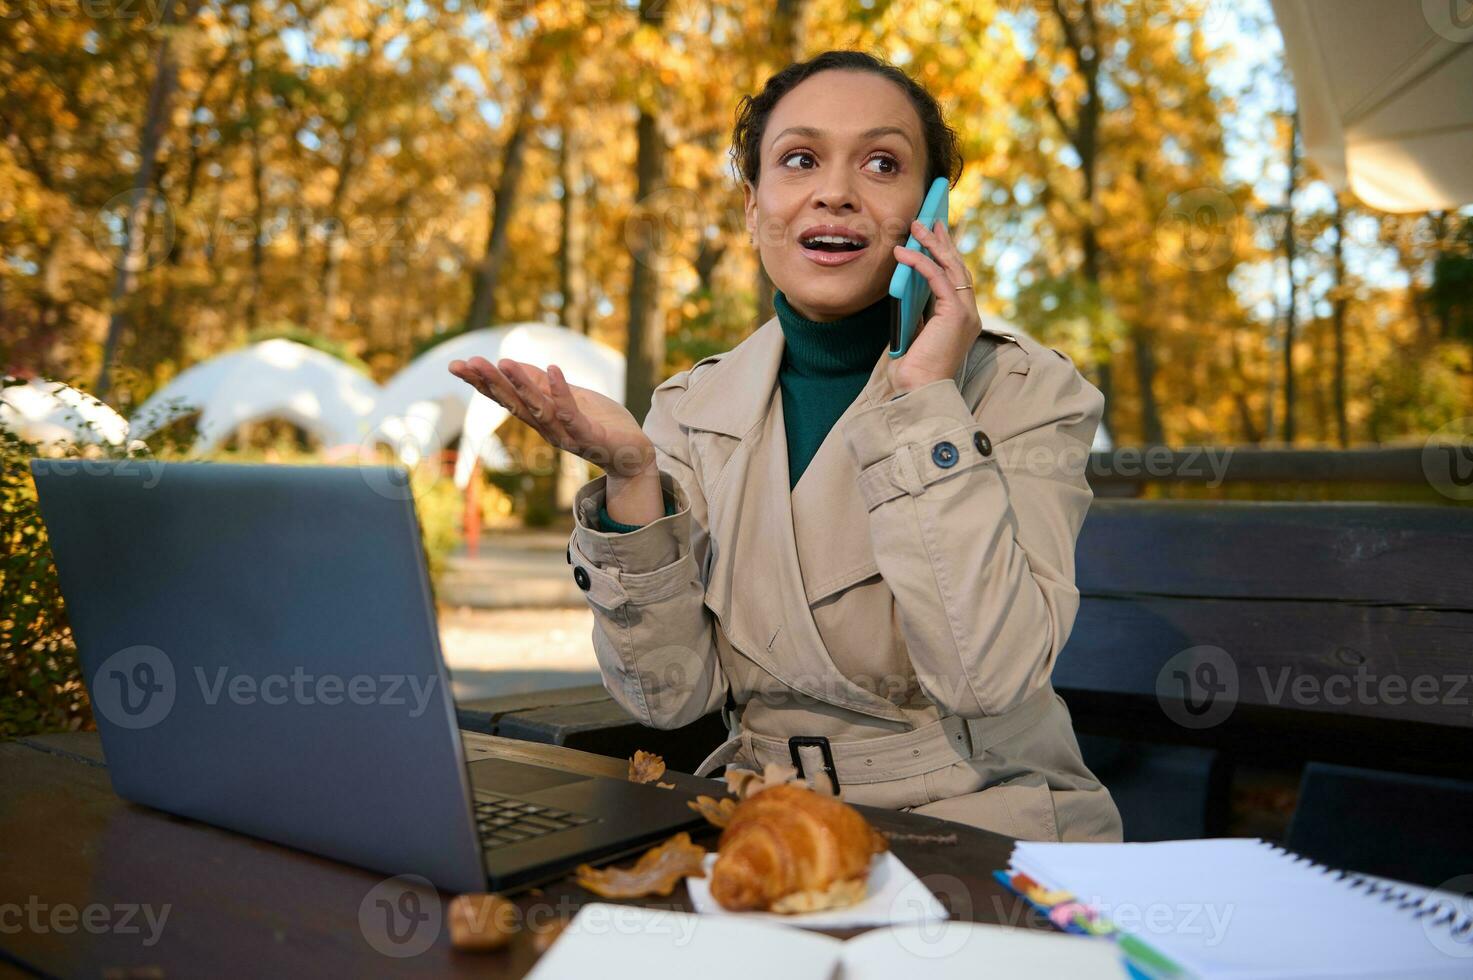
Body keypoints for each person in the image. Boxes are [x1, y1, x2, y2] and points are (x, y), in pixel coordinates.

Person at [449, 49, 1122, 842]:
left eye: (881, 163)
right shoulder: (691, 407)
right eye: (799, 159)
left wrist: (928, 401)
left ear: (932, 214)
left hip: (982, 815)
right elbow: (664, 697)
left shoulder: (1028, 392)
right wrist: (631, 478)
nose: (834, 192)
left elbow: (988, 677)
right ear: (752, 205)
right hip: (762, 818)